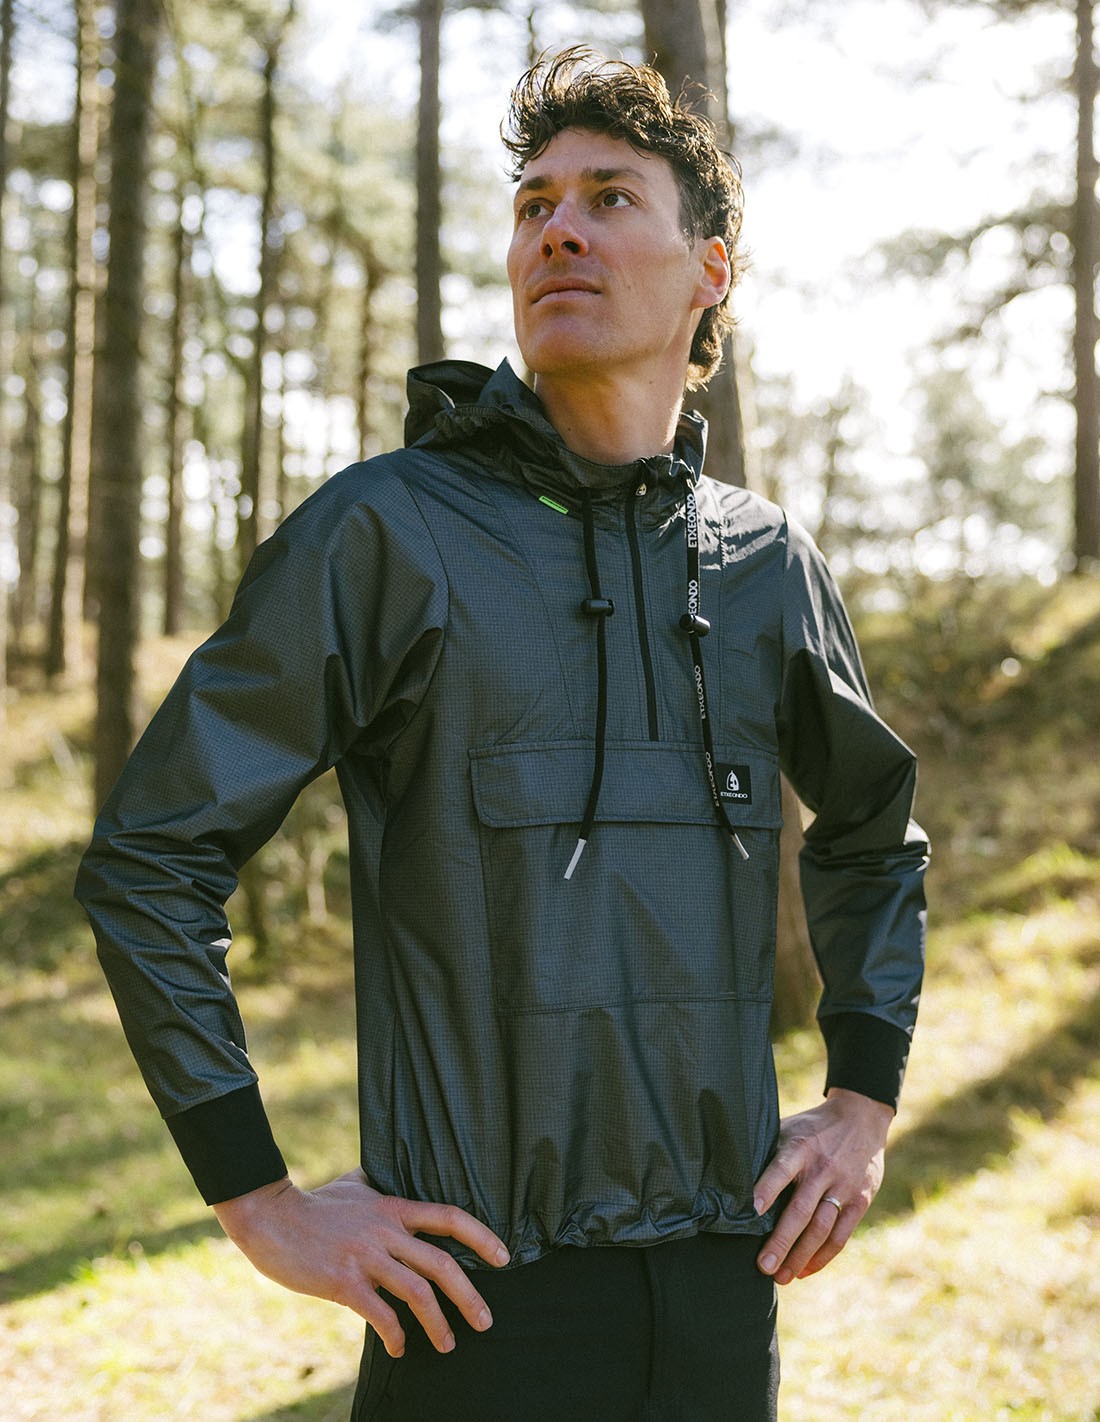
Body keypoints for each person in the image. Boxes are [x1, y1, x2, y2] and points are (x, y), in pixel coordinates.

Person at [76, 47, 928, 1422]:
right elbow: (151, 856)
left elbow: (876, 833)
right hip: (471, 1305)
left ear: (708, 273)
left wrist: (863, 1100)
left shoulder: (766, 564)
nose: (558, 230)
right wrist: (259, 1198)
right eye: (535, 205)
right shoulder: (386, 533)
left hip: (725, 1298)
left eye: (608, 198)